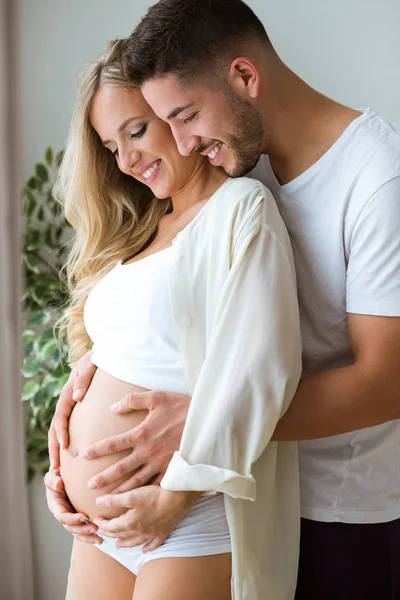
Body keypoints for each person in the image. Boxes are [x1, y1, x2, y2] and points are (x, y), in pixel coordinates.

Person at [45, 1, 400, 598]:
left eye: (181, 116)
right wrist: (87, 383)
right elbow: (185, 313)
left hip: (342, 505)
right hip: (250, 483)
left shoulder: (375, 179)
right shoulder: (237, 161)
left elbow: (386, 381)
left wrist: (200, 423)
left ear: (243, 77)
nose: (182, 141)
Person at [50, 38, 302, 600]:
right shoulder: (139, 235)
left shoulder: (240, 209)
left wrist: (173, 500)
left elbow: (259, 370)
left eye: (136, 131)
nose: (126, 159)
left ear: (172, 109)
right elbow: (129, 350)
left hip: (187, 518)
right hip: (100, 531)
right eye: (111, 145)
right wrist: (61, 472)